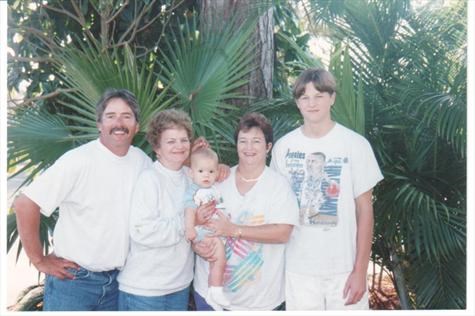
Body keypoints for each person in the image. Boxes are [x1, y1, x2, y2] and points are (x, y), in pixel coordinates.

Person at [13, 88, 152, 311]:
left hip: (119, 282)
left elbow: (169, 179)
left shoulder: (141, 161)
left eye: (126, 116)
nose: (119, 123)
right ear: (99, 124)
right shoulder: (78, 161)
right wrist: (39, 260)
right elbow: (25, 203)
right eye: (110, 116)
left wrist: (209, 166)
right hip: (74, 283)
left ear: (136, 125)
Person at [270, 68, 384, 310]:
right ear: (297, 103)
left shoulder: (355, 145)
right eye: (305, 97)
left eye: (319, 96)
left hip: (344, 268)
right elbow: (275, 208)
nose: (312, 103)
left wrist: (360, 270)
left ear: (332, 98)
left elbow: (365, 212)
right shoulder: (283, 147)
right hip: (298, 269)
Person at [117, 109, 224, 311]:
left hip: (180, 287)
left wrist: (199, 243)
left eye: (183, 140)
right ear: (157, 147)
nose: (179, 146)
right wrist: (190, 221)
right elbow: (143, 231)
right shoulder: (149, 179)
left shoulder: (191, 178)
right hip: (144, 291)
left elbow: (197, 229)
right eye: (171, 141)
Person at [193, 112, 299, 311]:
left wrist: (233, 230)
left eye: (256, 141)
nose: (249, 148)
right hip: (209, 296)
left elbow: (283, 233)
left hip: (259, 303)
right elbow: (194, 219)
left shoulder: (279, 186)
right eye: (243, 141)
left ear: (268, 147)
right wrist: (196, 245)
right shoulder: (217, 179)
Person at [184, 148, 230, 311]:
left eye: (211, 171)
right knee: (219, 259)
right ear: (191, 173)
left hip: (213, 230)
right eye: (201, 171)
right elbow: (189, 209)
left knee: (218, 261)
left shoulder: (213, 188)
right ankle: (214, 291)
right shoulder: (194, 190)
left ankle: (214, 291)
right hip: (203, 231)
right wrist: (190, 228)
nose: (206, 175)